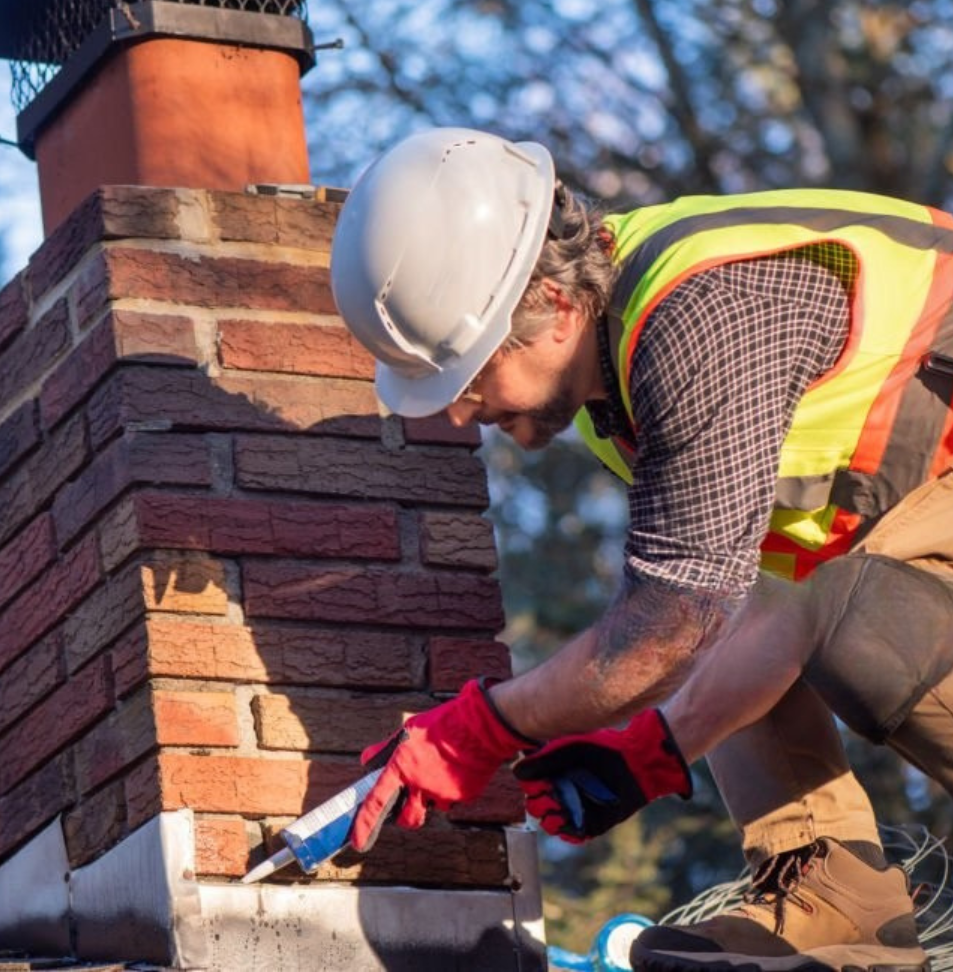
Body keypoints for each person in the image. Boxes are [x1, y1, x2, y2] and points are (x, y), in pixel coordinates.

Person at [328, 126, 953, 972]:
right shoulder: (609, 391)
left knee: (825, 621)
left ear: (551, 308)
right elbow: (768, 599)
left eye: (469, 375)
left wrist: (480, 728)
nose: (458, 412)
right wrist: (653, 751)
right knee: (767, 607)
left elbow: (674, 621)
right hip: (909, 526)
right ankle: (836, 903)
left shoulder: (699, 320)